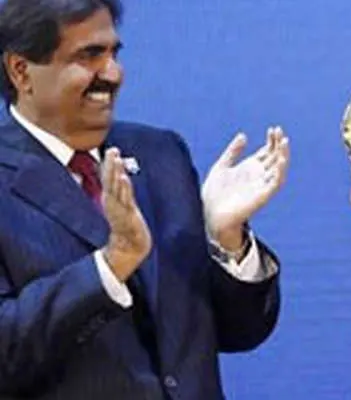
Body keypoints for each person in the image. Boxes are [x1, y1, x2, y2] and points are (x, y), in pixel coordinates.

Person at [0, 0, 290, 399]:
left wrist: (226, 241)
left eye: (113, 53)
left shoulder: (161, 156)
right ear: (21, 71)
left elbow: (240, 331)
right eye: (89, 56)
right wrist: (110, 266)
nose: (113, 73)